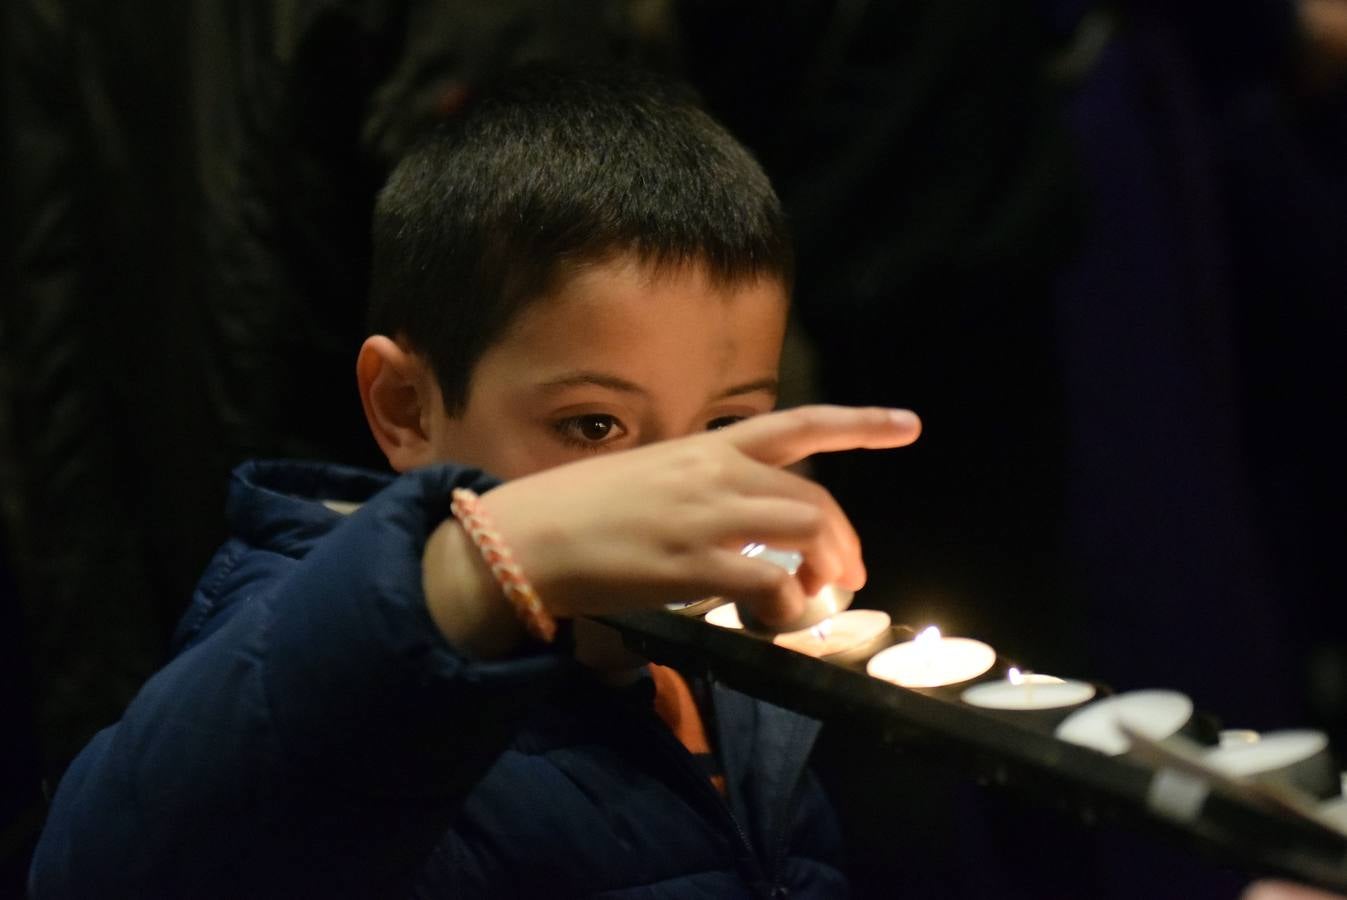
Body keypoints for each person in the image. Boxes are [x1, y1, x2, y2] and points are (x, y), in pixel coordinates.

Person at [28, 65, 921, 898]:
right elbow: (116, 864)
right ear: (408, 407)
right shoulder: (295, 632)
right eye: (593, 426)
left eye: (725, 427)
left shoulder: (723, 665)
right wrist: (494, 562)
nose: (672, 487)